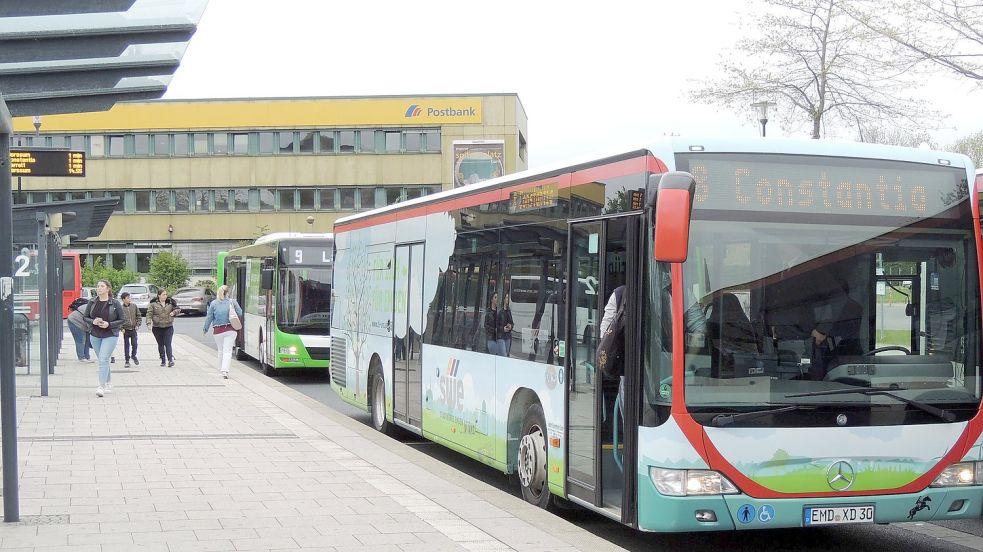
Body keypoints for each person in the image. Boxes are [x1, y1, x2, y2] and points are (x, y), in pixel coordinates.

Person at [82, 280, 125, 397]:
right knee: (103, 360)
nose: (99, 288)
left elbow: (122, 319)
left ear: (108, 289)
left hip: (110, 334)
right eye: (98, 286)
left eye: (102, 286)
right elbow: (85, 317)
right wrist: (93, 321)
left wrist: (109, 324)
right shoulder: (92, 302)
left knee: (103, 359)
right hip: (95, 334)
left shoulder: (115, 303)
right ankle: (108, 382)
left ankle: (101, 386)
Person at [202, 285, 243, 379]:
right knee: (227, 350)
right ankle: (225, 371)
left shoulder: (214, 303)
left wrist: (205, 329)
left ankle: (220, 368)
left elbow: (209, 317)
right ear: (227, 293)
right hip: (231, 329)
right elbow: (240, 313)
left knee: (221, 350)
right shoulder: (232, 302)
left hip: (218, 331)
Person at [147, 289, 180, 367]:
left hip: (168, 326)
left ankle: (170, 360)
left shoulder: (170, 303)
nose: (165, 296)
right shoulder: (153, 304)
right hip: (157, 327)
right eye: (163, 295)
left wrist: (174, 312)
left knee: (168, 343)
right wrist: (148, 323)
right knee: (161, 344)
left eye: (166, 294)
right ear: (159, 295)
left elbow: (178, 309)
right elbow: (149, 314)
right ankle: (163, 360)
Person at [66, 296, 93, 363]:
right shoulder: (92, 308)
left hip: (82, 323)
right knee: (80, 340)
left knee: (86, 340)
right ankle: (81, 357)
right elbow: (90, 322)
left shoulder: (93, 306)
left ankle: (87, 357)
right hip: (74, 322)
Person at [119, 291, 142, 367]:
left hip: (133, 329)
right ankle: (127, 360)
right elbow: (118, 320)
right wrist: (121, 328)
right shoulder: (120, 309)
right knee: (126, 345)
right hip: (125, 330)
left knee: (135, 344)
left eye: (130, 298)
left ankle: (133, 355)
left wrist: (138, 324)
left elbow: (139, 316)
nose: (129, 299)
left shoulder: (134, 306)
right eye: (128, 298)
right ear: (123, 299)